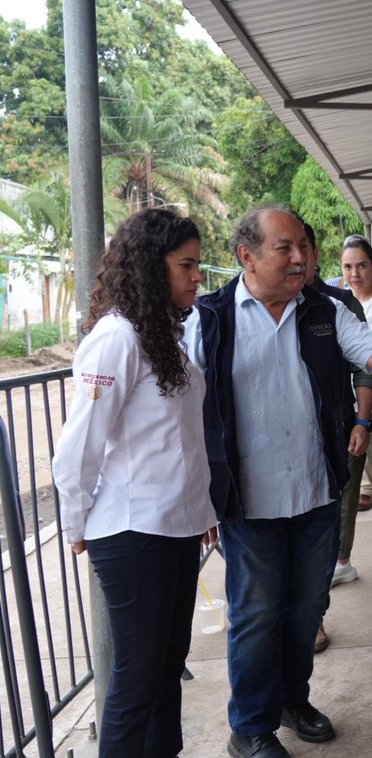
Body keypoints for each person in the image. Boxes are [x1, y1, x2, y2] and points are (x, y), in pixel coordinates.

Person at [184, 205, 372, 758]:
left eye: (301, 248)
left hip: (315, 493)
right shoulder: (210, 319)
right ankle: (251, 727)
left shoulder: (323, 309)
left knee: (307, 608)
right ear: (246, 256)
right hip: (248, 503)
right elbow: (183, 411)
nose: (299, 257)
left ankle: (293, 700)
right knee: (257, 615)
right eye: (283, 248)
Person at [53, 208, 216, 758]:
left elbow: (177, 441)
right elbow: (79, 446)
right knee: (136, 681)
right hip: (132, 531)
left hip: (172, 526)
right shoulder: (116, 338)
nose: (197, 276)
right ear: (151, 267)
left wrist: (201, 514)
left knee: (168, 669)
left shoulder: (164, 333)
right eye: (186, 265)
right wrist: (75, 521)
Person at [300, 223, 372, 656]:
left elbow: (366, 362)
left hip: (335, 435)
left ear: (314, 253)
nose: (297, 259)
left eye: (304, 249)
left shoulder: (339, 304)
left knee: (327, 528)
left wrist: (362, 421)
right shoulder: (254, 305)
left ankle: (315, 616)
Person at [333, 234, 372, 584]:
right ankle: (343, 561)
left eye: (361, 265)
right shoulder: (338, 304)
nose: (354, 273)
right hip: (349, 410)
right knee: (347, 486)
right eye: (347, 266)